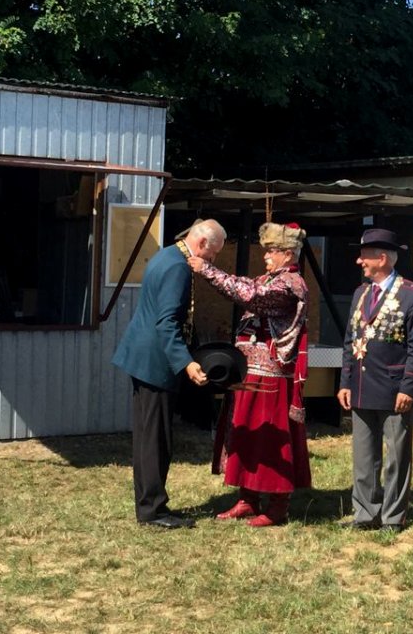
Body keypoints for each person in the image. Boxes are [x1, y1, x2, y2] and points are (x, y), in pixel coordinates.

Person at [188, 221, 312, 527]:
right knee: (244, 435)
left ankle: (278, 506)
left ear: (287, 254)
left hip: (272, 375)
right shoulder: (271, 279)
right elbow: (249, 287)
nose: (266, 257)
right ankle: (248, 499)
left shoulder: (291, 284)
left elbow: (251, 296)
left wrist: (207, 269)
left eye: (271, 252)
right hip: (249, 371)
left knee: (270, 440)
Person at [112, 218, 227, 529]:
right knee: (155, 439)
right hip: (155, 361)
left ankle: (151, 503)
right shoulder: (178, 267)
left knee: (151, 436)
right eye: (213, 254)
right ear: (202, 243)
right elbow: (166, 323)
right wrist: (187, 363)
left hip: (147, 357)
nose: (211, 261)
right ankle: (152, 510)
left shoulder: (168, 255)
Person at [337, 228, 413, 533]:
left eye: (364, 256)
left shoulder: (411, 293)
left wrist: (409, 387)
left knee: (396, 456)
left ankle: (392, 516)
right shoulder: (360, 293)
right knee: (364, 455)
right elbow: (350, 340)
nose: (359, 261)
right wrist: (345, 382)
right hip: (361, 386)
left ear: (382, 258)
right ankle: (364, 513)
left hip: (393, 387)